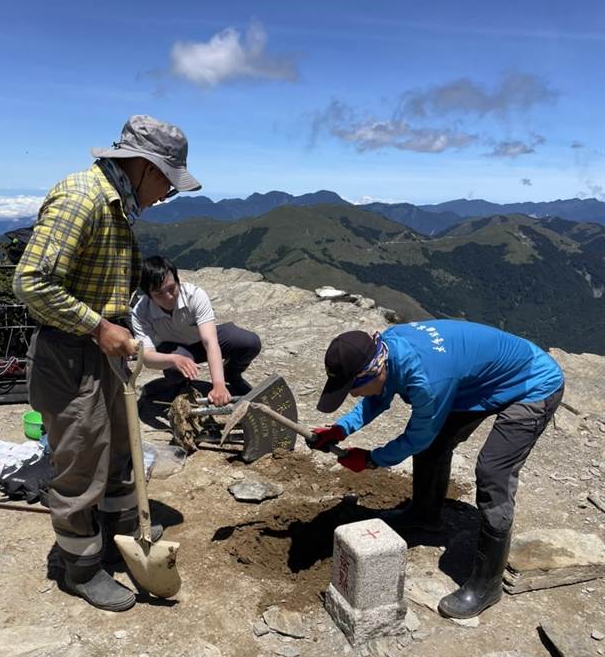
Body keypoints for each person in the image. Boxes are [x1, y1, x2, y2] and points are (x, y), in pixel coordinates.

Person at [13, 115, 202, 612]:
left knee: (122, 446)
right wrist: (99, 327)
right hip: (71, 354)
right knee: (81, 462)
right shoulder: (83, 198)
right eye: (166, 180)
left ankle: (122, 526)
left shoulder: (120, 206)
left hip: (106, 352)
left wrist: (116, 335)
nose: (167, 194)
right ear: (141, 166)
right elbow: (30, 282)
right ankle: (81, 567)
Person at [311, 320, 564, 619]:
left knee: (492, 472)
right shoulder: (388, 348)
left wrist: (371, 459)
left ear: (375, 368)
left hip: (533, 384)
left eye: (353, 388)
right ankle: (424, 516)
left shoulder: (427, 379)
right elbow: (378, 394)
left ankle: (487, 585)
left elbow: (418, 436)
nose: (352, 396)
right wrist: (342, 429)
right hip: (479, 385)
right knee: (435, 447)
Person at [131, 256, 261, 406]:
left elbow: (210, 341)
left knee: (249, 342)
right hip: (174, 349)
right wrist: (173, 360)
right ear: (148, 295)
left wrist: (218, 385)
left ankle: (231, 374)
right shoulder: (141, 312)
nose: (168, 297)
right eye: (159, 294)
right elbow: (147, 357)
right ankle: (181, 387)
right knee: (173, 363)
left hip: (201, 339)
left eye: (172, 288)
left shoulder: (195, 295)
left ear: (178, 281)